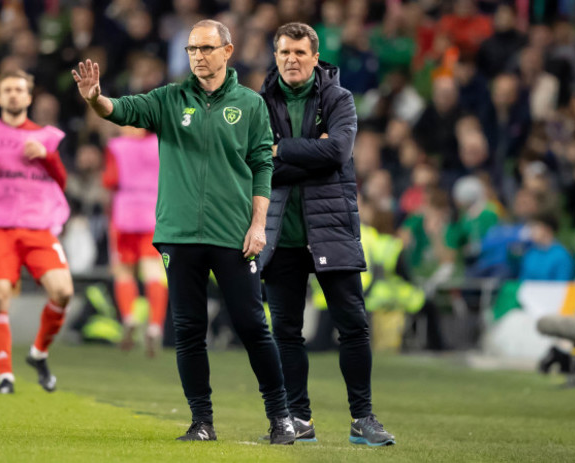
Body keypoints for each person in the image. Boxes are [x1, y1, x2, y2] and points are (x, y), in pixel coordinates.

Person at [72, 19, 295, 444]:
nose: (198, 55)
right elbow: (122, 111)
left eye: (207, 48)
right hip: (179, 235)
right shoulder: (169, 99)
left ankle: (281, 417)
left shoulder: (250, 104)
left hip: (234, 235)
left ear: (227, 52)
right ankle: (202, 422)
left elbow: (264, 166)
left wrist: (259, 225)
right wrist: (96, 98)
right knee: (188, 331)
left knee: (252, 326)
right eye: (193, 48)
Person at [259, 22, 395, 446]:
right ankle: (298, 418)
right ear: (275, 56)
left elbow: (337, 152)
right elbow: (255, 162)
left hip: (331, 227)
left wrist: (282, 149)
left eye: (300, 52)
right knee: (285, 331)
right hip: (280, 233)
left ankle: (363, 419)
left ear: (315, 57)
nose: (291, 60)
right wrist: (306, 152)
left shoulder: (339, 99)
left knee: (353, 326)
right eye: (284, 53)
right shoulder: (258, 103)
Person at [0, 69, 74, 394]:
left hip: (38, 228)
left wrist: (47, 158)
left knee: (63, 292)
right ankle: (5, 376)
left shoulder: (46, 136)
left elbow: (62, 181)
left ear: (28, 97)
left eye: (19, 89)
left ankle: (38, 352)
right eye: (7, 89)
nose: (13, 94)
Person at [102, 125, 168, 356]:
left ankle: (129, 317)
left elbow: (110, 180)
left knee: (123, 271)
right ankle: (155, 325)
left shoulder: (116, 147)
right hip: (153, 212)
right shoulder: (159, 144)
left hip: (125, 213)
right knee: (153, 270)